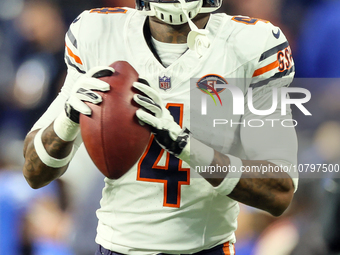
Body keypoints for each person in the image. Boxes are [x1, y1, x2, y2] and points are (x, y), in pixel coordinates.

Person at [22, 0, 298, 254]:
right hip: (116, 247)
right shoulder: (98, 33)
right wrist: (68, 120)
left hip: (207, 248)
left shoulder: (251, 46)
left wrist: (185, 146)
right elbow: (34, 173)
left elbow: (279, 190)